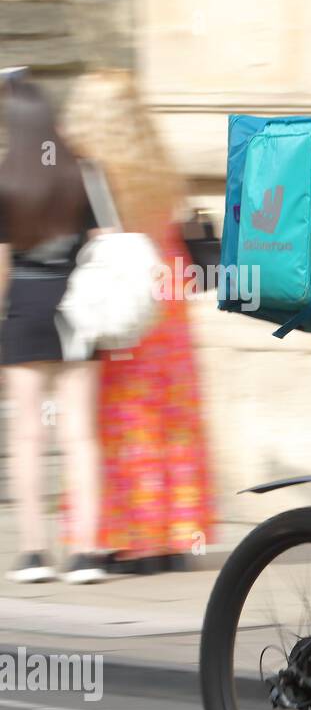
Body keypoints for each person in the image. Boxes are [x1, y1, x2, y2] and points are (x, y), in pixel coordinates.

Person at [59, 70, 215, 575]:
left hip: (124, 305)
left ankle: (130, 538)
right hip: (167, 303)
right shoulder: (160, 166)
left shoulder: (90, 171)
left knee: (125, 422)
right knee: (173, 422)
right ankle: (173, 538)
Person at [0, 70, 110, 584]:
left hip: (24, 304)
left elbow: (0, 266)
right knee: (80, 435)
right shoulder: (81, 171)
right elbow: (106, 238)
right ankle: (86, 553)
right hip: (78, 305)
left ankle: (33, 553)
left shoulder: (7, 176)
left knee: (27, 435)